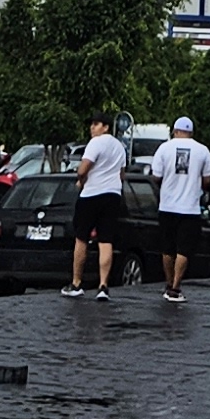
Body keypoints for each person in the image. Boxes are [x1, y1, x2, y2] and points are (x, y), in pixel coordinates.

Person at [149, 116, 210, 300]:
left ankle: (168, 283)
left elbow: (156, 176)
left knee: (167, 249)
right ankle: (176, 287)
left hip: (167, 206)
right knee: (184, 250)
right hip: (190, 208)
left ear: (175, 131)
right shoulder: (203, 151)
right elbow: (207, 180)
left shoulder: (164, 148)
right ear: (192, 133)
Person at [68, 114, 128, 297]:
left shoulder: (95, 143)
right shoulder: (120, 147)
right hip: (112, 195)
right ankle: (103, 285)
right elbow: (122, 174)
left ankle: (77, 283)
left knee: (81, 238)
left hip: (91, 194)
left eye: (96, 124)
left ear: (106, 127)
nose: (92, 128)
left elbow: (83, 168)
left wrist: (81, 179)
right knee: (106, 240)